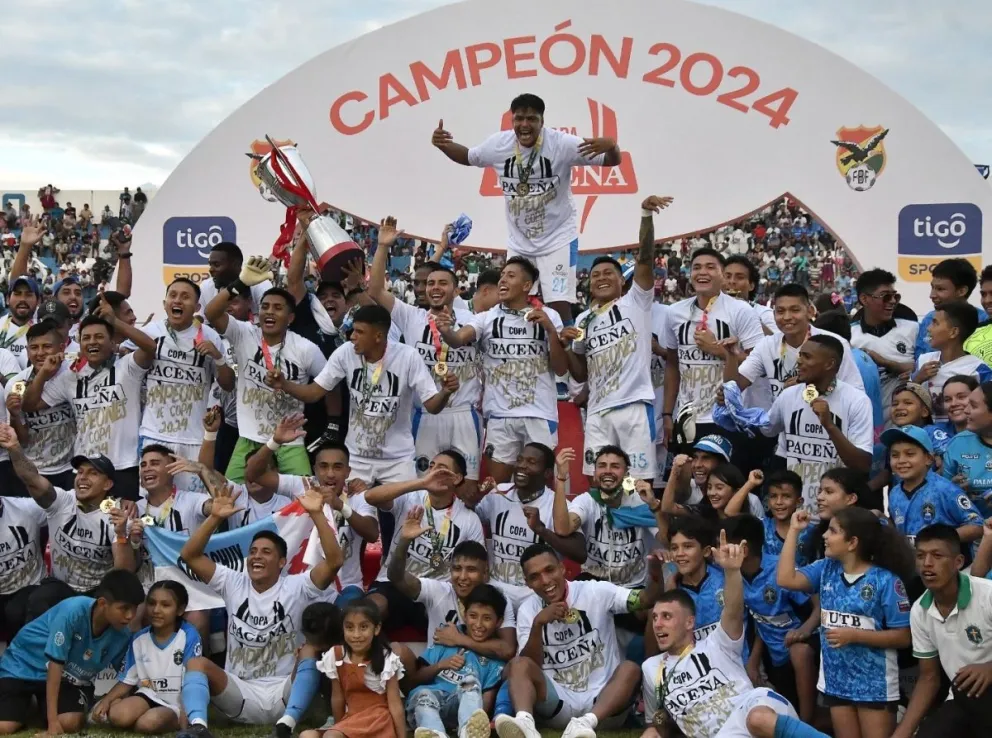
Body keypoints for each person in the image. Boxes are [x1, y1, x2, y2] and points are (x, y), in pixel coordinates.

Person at [432, 92, 621, 325]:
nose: (524, 125)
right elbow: (468, 156)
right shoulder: (499, 144)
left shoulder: (562, 144)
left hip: (559, 239)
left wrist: (611, 145)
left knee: (559, 303)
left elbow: (611, 161)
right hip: (520, 242)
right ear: (512, 120)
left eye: (531, 119)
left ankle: (568, 353)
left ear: (542, 121)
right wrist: (443, 145)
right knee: (514, 300)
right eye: (519, 118)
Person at [176, 483, 343, 737]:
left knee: (309, 650)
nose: (257, 556)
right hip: (239, 694)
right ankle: (199, 729)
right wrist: (214, 518)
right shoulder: (232, 582)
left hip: (285, 692)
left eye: (266, 552)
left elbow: (334, 561)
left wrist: (317, 513)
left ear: (282, 562)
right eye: (252, 552)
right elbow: (189, 555)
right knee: (197, 663)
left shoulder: (297, 585)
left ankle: (285, 727)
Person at [642, 530, 823, 738]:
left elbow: (734, 611)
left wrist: (732, 571)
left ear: (690, 622)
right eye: (655, 618)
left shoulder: (716, 643)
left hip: (753, 705)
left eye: (666, 616)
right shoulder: (651, 669)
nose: (658, 624)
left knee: (758, 719)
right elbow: (655, 724)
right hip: (724, 734)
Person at [276, 304, 459, 484]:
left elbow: (432, 406)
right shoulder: (345, 353)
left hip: (398, 459)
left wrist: (445, 392)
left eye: (359, 332)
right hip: (356, 458)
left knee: (408, 511)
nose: (353, 337)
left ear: (378, 336)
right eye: (353, 330)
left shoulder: (408, 356)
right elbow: (314, 393)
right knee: (348, 511)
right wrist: (284, 384)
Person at [494, 543, 661, 738]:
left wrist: (655, 576)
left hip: (603, 706)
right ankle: (526, 725)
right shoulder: (528, 610)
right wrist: (538, 624)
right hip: (557, 705)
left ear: (562, 568)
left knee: (630, 668)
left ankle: (584, 724)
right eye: (535, 576)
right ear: (528, 583)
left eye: (549, 570)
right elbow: (530, 665)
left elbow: (646, 599)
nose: (545, 580)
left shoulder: (595, 591)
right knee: (518, 664)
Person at [368, 218, 484, 494]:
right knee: (423, 489)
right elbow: (374, 290)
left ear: (456, 290)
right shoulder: (412, 316)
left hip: (463, 414)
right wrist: (383, 247)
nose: (434, 287)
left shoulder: (474, 320)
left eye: (443, 283)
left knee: (466, 490)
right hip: (425, 415)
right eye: (430, 283)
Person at [777, 507, 915, 738]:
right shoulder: (825, 569)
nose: (824, 536)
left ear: (852, 542)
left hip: (875, 686)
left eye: (833, 531)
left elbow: (903, 636)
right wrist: (793, 530)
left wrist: (855, 636)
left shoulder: (886, 581)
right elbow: (785, 578)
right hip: (836, 683)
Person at [564, 196, 673, 480]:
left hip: (634, 406)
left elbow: (646, 258)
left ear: (621, 280)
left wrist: (646, 215)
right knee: (597, 482)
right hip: (598, 410)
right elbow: (579, 373)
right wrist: (567, 345)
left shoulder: (635, 302)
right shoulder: (583, 320)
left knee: (637, 485)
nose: (601, 278)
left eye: (608, 273)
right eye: (596, 274)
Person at [436, 257, 566, 482]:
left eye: (511, 276)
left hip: (538, 414)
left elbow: (561, 368)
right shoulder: (486, 318)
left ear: (527, 286)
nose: (503, 280)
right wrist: (447, 331)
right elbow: (457, 340)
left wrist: (550, 330)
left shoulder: (550, 316)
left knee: (540, 485)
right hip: (499, 416)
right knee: (499, 487)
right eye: (502, 275)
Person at [22, 301, 158, 500]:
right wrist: (43, 373)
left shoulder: (127, 367)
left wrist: (115, 322)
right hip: (84, 470)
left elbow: (150, 347)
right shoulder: (69, 376)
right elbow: (29, 405)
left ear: (112, 343)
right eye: (86, 338)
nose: (92, 342)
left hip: (123, 467)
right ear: (79, 343)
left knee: (120, 527)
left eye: (99, 337)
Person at [205, 260, 326, 481]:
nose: (269, 312)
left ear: (290, 318)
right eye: (265, 306)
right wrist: (240, 283)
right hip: (249, 438)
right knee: (233, 497)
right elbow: (211, 313)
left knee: (304, 503)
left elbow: (324, 388)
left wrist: (286, 386)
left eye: (278, 308)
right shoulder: (244, 333)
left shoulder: (307, 349)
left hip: (290, 440)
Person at [245, 418, 380, 605]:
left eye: (337, 467)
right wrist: (274, 442)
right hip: (305, 581)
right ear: (314, 469)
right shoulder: (303, 485)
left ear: (348, 471)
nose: (330, 474)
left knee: (349, 612)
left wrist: (340, 505)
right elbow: (253, 474)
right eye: (323, 467)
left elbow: (372, 534)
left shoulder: (357, 496)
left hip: (346, 586)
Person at [0, 570, 144, 736]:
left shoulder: (122, 634)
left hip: (67, 680)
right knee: (4, 727)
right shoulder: (73, 611)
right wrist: (53, 724)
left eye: (134, 609)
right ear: (103, 603)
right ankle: (30, 704)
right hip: (22, 668)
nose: (130, 616)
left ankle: (37, 704)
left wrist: (110, 700)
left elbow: (126, 676)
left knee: (69, 723)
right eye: (124, 608)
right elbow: (55, 665)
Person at [0, 423, 140, 591]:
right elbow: (32, 479)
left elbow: (124, 574)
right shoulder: (62, 501)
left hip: (96, 592)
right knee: (43, 596)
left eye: (93, 473)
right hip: (60, 587)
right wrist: (15, 449)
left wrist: (121, 534)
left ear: (107, 484)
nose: (83, 477)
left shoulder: (118, 516)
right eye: (80, 472)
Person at [661, 247, 764, 458]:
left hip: (726, 417)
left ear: (722, 275)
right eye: (696, 267)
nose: (702, 272)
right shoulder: (674, 313)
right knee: (688, 481)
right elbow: (673, 364)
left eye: (710, 267)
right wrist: (667, 414)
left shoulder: (740, 311)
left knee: (723, 483)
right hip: (686, 416)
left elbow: (760, 361)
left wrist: (719, 351)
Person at [894, 524, 992, 737]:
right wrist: (902, 732)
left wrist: (989, 667)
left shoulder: (987, 595)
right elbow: (929, 677)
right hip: (961, 699)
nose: (927, 564)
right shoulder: (919, 610)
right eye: (920, 556)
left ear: (958, 562)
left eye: (937, 555)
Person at [366, 455, 486, 625]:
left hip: (435, 589)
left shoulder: (469, 518)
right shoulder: (411, 497)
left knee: (453, 623)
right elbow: (370, 497)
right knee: (371, 608)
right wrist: (421, 483)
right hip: (392, 581)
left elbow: (478, 564)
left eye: (441, 468)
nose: (433, 472)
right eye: (431, 466)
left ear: (457, 478)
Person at [760, 334, 873, 513]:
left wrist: (829, 425)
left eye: (807, 357)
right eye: (800, 355)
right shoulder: (789, 395)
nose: (799, 362)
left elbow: (862, 464)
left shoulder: (857, 400)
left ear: (829, 364)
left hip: (834, 514)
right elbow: (767, 430)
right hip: (794, 511)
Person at [723, 515, 819, 724]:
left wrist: (805, 630)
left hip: (808, 646)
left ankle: (806, 726)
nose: (719, 552)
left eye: (724, 546)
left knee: (799, 651)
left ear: (744, 549)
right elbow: (761, 620)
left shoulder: (780, 569)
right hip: (775, 656)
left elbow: (819, 604)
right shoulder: (732, 574)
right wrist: (754, 660)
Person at [139, 278, 235, 483]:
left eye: (185, 297)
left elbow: (228, 385)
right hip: (154, 435)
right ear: (165, 303)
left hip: (194, 439)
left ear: (197, 307)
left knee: (194, 504)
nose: (178, 301)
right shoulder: (150, 333)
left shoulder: (210, 336)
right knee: (153, 500)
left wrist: (217, 357)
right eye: (173, 295)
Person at [474, 443, 586, 607]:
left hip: (535, 596)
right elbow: (471, 519)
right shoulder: (498, 493)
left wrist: (541, 530)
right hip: (497, 592)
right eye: (520, 460)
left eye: (531, 462)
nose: (521, 466)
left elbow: (580, 553)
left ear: (547, 472)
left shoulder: (558, 504)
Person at [725, 283, 863, 411]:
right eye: (780, 311)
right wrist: (731, 356)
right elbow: (736, 386)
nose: (787, 317)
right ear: (774, 314)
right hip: (781, 429)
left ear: (810, 311)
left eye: (795, 310)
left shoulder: (834, 343)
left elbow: (856, 393)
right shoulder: (766, 345)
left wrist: (810, 388)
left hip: (823, 427)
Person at [94, 581, 201, 734]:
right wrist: (106, 701)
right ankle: (128, 711)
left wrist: (186, 722)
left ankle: (161, 720)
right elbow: (127, 680)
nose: (156, 610)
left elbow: (191, 682)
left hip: (174, 704)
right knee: (118, 716)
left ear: (180, 609)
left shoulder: (189, 636)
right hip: (147, 696)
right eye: (151, 603)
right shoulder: (139, 638)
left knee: (147, 724)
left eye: (165, 605)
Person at [406, 584, 506, 738]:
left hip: (459, 709)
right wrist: (440, 665)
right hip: (426, 703)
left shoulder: (494, 657)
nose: (478, 624)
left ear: (499, 622)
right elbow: (416, 679)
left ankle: (469, 731)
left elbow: (485, 702)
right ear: (464, 615)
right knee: (424, 694)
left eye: (487, 618)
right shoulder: (448, 635)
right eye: (473, 616)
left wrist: (480, 719)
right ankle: (435, 733)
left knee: (471, 682)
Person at [556, 446, 665, 587]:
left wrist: (654, 505)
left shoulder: (640, 502)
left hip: (633, 589)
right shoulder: (587, 501)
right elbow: (562, 528)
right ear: (595, 474)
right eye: (602, 466)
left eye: (615, 466)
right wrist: (560, 479)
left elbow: (665, 541)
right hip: (595, 587)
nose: (608, 471)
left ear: (626, 474)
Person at [303, 600, 406, 738]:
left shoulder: (386, 658)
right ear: (343, 629)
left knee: (331, 736)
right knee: (307, 735)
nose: (356, 635)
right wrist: (338, 727)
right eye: (350, 628)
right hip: (351, 718)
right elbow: (337, 697)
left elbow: (395, 704)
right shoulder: (337, 655)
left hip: (378, 722)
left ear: (376, 629)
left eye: (363, 627)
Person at [3, 321, 76, 492]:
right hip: (33, 470)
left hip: (69, 469)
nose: (40, 353)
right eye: (34, 347)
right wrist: (14, 416)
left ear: (61, 348)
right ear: (27, 351)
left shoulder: (73, 375)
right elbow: (23, 440)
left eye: (47, 346)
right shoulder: (15, 384)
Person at [883, 425, 983, 547]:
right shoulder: (895, 493)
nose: (901, 460)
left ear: (929, 459)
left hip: (948, 564)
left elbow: (977, 525)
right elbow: (897, 528)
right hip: (911, 563)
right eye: (895, 455)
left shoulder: (945, 489)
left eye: (910, 454)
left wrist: (941, 541)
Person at [850, 269, 919, 426]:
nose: (893, 301)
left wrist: (886, 363)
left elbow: (927, 367)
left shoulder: (913, 329)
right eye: (886, 296)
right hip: (864, 425)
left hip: (906, 427)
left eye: (896, 296)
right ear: (864, 299)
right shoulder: (849, 336)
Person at [914, 300, 991, 422]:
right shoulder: (923, 361)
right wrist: (917, 379)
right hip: (930, 438)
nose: (928, 328)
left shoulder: (978, 370)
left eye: (935, 323)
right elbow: (905, 398)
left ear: (953, 332)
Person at [915, 258, 986, 360]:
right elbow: (919, 359)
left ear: (962, 291)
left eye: (940, 289)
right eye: (932, 287)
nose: (932, 295)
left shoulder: (984, 322)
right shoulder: (929, 319)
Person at [943, 381, 992, 515]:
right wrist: (952, 489)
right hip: (970, 529)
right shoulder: (958, 443)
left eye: (974, 406)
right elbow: (941, 494)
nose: (966, 410)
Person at [199, 241, 273, 317]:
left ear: (236, 264)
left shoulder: (260, 284)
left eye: (216, 264)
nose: (211, 269)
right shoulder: (206, 287)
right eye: (210, 265)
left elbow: (270, 320)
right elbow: (203, 323)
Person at [0, 275, 40, 369]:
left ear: (38, 301)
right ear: (7, 300)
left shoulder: (46, 332)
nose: (22, 299)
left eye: (29, 294)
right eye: (17, 294)